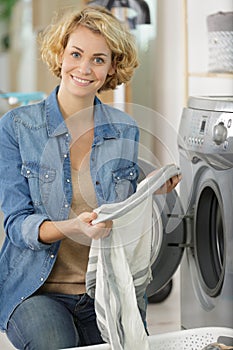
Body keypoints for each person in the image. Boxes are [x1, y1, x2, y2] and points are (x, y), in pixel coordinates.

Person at [0, 6, 181, 350]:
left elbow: (119, 213)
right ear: (60, 54)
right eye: (76, 54)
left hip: (104, 289)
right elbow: (17, 226)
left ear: (113, 66)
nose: (84, 68)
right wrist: (74, 227)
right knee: (57, 343)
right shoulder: (17, 128)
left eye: (98, 59)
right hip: (37, 290)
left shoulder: (124, 128)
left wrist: (150, 189)